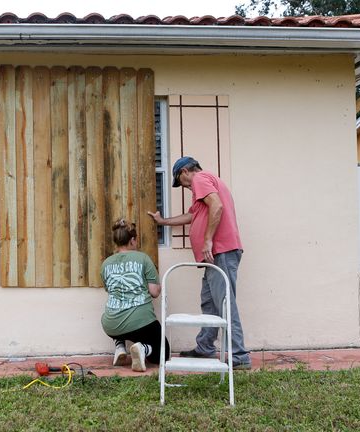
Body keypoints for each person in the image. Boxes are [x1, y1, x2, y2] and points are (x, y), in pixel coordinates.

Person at [147, 156, 251, 370]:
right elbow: (191, 216)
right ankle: (204, 346)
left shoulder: (200, 179)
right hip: (216, 254)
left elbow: (217, 206)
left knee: (224, 303)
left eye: (180, 180)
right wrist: (163, 222)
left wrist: (207, 240)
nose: (183, 186)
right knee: (209, 301)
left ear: (185, 171)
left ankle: (240, 355)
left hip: (220, 251)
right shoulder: (203, 187)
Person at [101, 218, 170, 372]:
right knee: (163, 352)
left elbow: (111, 290)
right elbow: (154, 292)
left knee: (115, 316)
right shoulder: (143, 258)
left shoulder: (105, 263)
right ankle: (143, 349)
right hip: (141, 322)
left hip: (111, 323)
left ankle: (120, 346)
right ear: (132, 240)